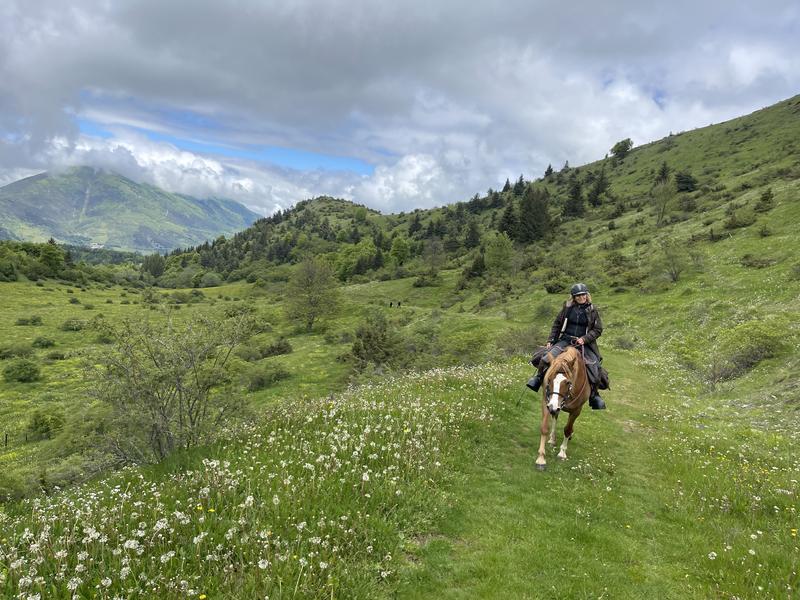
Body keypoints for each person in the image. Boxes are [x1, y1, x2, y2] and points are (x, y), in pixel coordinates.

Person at [528, 283, 606, 410]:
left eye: (583, 295)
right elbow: (557, 324)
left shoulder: (593, 310)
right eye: (578, 296)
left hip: (583, 344)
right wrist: (551, 340)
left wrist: (584, 339)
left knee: (594, 366)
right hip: (565, 340)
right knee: (545, 359)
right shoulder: (567, 308)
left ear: (587, 295)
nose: (582, 297)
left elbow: (598, 330)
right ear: (574, 297)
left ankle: (594, 395)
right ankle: (538, 378)